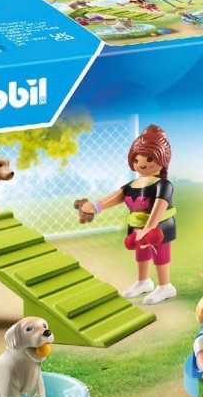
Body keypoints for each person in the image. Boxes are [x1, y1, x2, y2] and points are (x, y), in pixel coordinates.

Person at [74, 124, 177, 305]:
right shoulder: (133, 184)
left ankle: (165, 285)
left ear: (163, 158)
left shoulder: (163, 185)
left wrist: (149, 228)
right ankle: (143, 281)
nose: (141, 163)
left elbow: (159, 206)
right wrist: (96, 206)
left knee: (159, 255)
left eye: (149, 158)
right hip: (137, 226)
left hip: (159, 227)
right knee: (141, 254)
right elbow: (117, 196)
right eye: (136, 159)